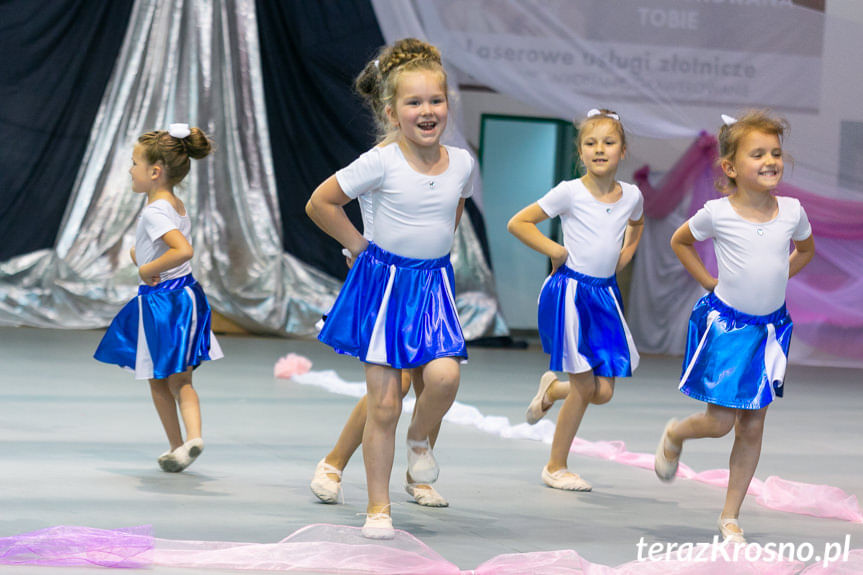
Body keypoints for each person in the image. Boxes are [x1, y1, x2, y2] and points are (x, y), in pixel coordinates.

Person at [305, 38, 473, 538]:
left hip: (431, 287)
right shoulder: (381, 159)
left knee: (440, 380)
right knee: (385, 400)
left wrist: (434, 257)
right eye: (414, 102)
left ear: (449, 103)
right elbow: (321, 203)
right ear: (391, 111)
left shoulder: (461, 163)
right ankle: (375, 502)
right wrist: (360, 247)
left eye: (436, 101)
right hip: (383, 286)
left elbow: (452, 211)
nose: (427, 111)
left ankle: (419, 444)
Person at [654, 111, 815, 544]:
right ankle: (676, 432)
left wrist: (780, 276)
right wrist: (708, 282)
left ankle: (730, 516)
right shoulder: (718, 213)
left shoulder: (792, 212)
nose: (770, 161)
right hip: (727, 327)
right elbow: (680, 241)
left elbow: (805, 250)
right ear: (730, 167)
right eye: (758, 153)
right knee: (721, 421)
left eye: (776, 153)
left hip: (769, 332)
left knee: (753, 425)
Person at [508, 108, 643, 492]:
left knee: (603, 391)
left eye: (609, 142)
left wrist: (626, 254)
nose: (599, 149)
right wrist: (557, 250)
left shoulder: (631, 195)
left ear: (622, 150)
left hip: (603, 297)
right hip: (569, 293)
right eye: (590, 143)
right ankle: (555, 465)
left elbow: (638, 223)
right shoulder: (569, 191)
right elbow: (518, 222)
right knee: (586, 388)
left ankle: (552, 390)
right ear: (580, 152)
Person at [94, 124, 222, 473]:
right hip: (187, 296)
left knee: (156, 379)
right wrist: (143, 257)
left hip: (162, 303)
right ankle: (191, 439)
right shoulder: (175, 205)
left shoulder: (153, 211)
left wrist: (143, 268)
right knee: (182, 381)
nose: (130, 170)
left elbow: (183, 250)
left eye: (134, 163)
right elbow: (167, 249)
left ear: (155, 171)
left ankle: (176, 444)